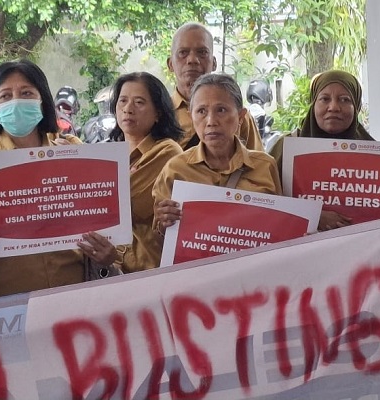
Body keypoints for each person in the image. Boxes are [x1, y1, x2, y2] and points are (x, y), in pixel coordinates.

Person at [0, 59, 117, 300]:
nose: (16, 102)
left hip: (72, 293)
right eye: (5, 96)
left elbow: (103, 219)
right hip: (4, 299)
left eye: (27, 93)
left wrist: (106, 249)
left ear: (43, 101)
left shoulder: (73, 152)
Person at [153, 73, 281, 236]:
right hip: (197, 260)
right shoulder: (176, 170)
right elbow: (160, 239)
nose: (211, 121)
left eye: (221, 110)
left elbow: (279, 227)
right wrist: (164, 222)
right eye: (201, 111)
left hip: (253, 261)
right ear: (191, 117)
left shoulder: (265, 166)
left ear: (241, 116)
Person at [270, 70, 374, 231]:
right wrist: (312, 216)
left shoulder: (374, 153)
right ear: (314, 104)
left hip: (359, 249)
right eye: (324, 99)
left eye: (345, 100)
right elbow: (266, 202)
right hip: (298, 250)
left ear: (356, 107)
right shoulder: (287, 146)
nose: (333, 107)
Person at [108, 72, 183, 272]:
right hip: (115, 270)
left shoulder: (167, 151)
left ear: (158, 112)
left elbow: (115, 204)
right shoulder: (112, 153)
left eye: (139, 102)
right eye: (122, 101)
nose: (128, 109)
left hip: (148, 271)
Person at [168, 22, 264, 151]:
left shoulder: (238, 116)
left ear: (213, 63)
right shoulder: (158, 115)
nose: (192, 60)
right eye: (183, 53)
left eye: (202, 52)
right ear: (170, 64)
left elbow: (257, 165)